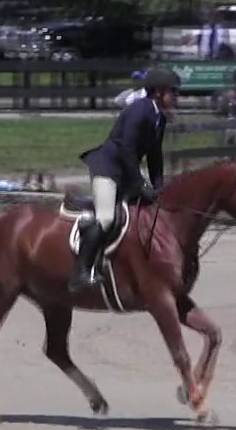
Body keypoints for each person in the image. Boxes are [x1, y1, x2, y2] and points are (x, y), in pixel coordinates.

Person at [71, 67, 180, 291]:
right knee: (106, 218)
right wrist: (139, 184)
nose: (177, 97)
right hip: (108, 169)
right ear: (158, 92)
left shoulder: (159, 117)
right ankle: (83, 271)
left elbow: (155, 156)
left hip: (126, 173)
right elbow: (126, 149)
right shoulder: (139, 111)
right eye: (173, 92)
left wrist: (159, 187)